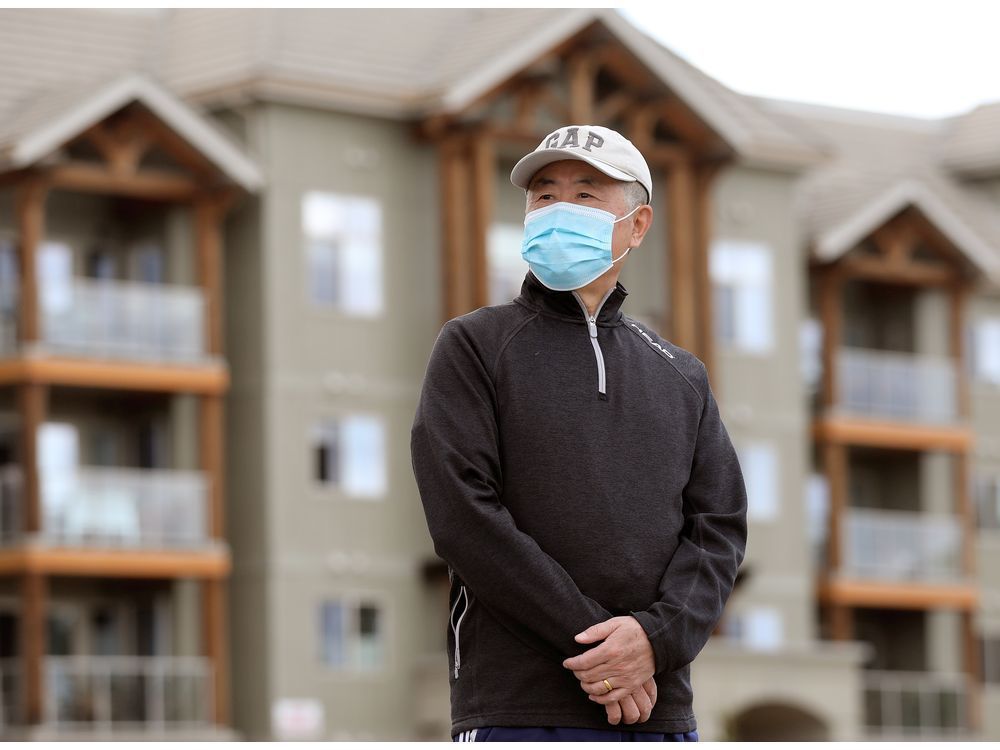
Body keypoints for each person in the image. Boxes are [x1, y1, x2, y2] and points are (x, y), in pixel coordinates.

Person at [410, 124, 747, 742]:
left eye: (587, 195)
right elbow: (464, 516)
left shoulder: (680, 374)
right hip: (517, 708)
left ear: (638, 225)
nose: (559, 209)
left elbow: (717, 530)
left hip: (657, 710)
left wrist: (654, 640)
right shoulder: (474, 345)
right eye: (544, 195)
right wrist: (603, 653)